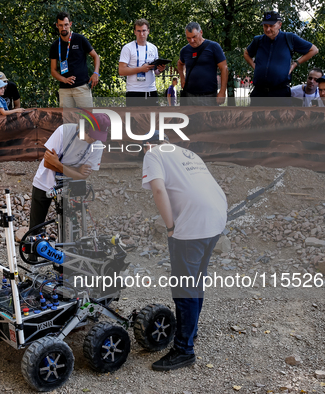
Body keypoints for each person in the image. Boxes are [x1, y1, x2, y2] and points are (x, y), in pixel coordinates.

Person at [140, 131, 226, 372]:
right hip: (216, 218)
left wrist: (170, 228)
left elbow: (159, 191)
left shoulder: (153, 153)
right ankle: (191, 330)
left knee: (184, 286)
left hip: (194, 224)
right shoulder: (188, 153)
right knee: (196, 278)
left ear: (149, 144)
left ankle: (184, 350)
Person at [29, 113, 110, 230]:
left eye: (99, 136)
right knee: (36, 226)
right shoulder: (63, 131)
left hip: (69, 187)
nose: (95, 139)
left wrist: (57, 163)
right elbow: (47, 163)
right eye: (93, 135)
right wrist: (76, 170)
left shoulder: (97, 145)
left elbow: (83, 177)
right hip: (44, 182)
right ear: (86, 127)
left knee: (70, 228)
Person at [243, 11, 318, 105]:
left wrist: (295, 64)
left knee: (279, 119)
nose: (268, 29)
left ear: (280, 25)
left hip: (280, 93)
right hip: (259, 93)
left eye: (271, 26)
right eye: (265, 26)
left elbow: (314, 50)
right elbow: (246, 53)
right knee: (257, 119)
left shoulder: (289, 38)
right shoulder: (258, 40)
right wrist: (255, 66)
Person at [49, 12, 100, 108]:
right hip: (64, 90)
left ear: (70, 24)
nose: (63, 28)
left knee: (87, 119)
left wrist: (95, 73)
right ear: (57, 26)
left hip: (81, 87)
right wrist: (63, 79)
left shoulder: (80, 39)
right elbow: (53, 70)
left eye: (66, 25)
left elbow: (96, 56)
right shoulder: (55, 45)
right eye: (60, 25)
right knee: (68, 120)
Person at [118, 19, 167, 107]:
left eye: (144, 31)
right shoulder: (128, 48)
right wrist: (140, 69)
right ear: (134, 32)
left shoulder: (153, 48)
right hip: (134, 92)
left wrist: (160, 70)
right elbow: (121, 71)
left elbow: (155, 72)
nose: (141, 34)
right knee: (134, 120)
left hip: (151, 91)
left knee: (153, 120)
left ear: (148, 31)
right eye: (139, 31)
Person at [177, 22, 228, 106]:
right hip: (189, 95)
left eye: (194, 37)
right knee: (189, 119)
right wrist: (182, 78)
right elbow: (179, 63)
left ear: (201, 32)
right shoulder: (185, 50)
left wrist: (222, 91)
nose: (191, 41)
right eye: (188, 38)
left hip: (208, 96)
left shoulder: (214, 47)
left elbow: (224, 68)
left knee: (208, 119)